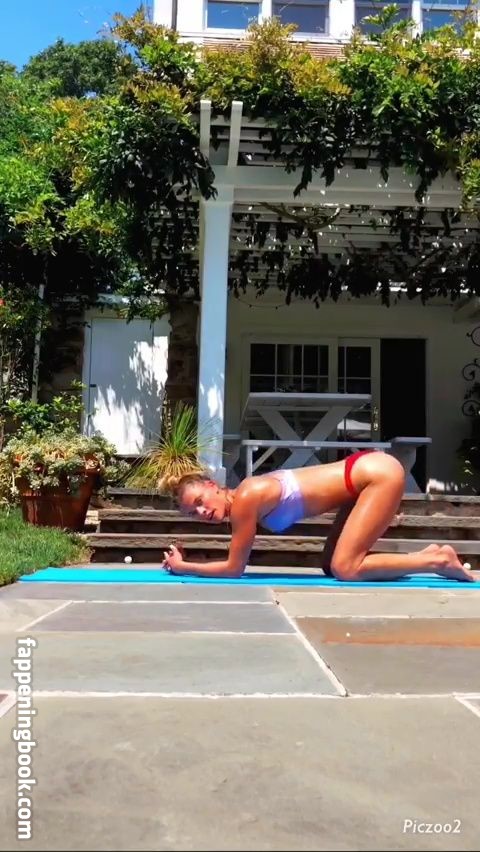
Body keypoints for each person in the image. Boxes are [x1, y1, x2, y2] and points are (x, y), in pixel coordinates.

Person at [162, 449, 475, 582]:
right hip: (360, 477)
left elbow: (234, 569)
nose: (202, 512)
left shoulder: (245, 498)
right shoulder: (245, 498)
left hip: (374, 475)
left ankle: (437, 561)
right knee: (331, 565)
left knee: (345, 568)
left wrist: (184, 567)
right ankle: (429, 556)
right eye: (193, 513)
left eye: (200, 501)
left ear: (213, 485)